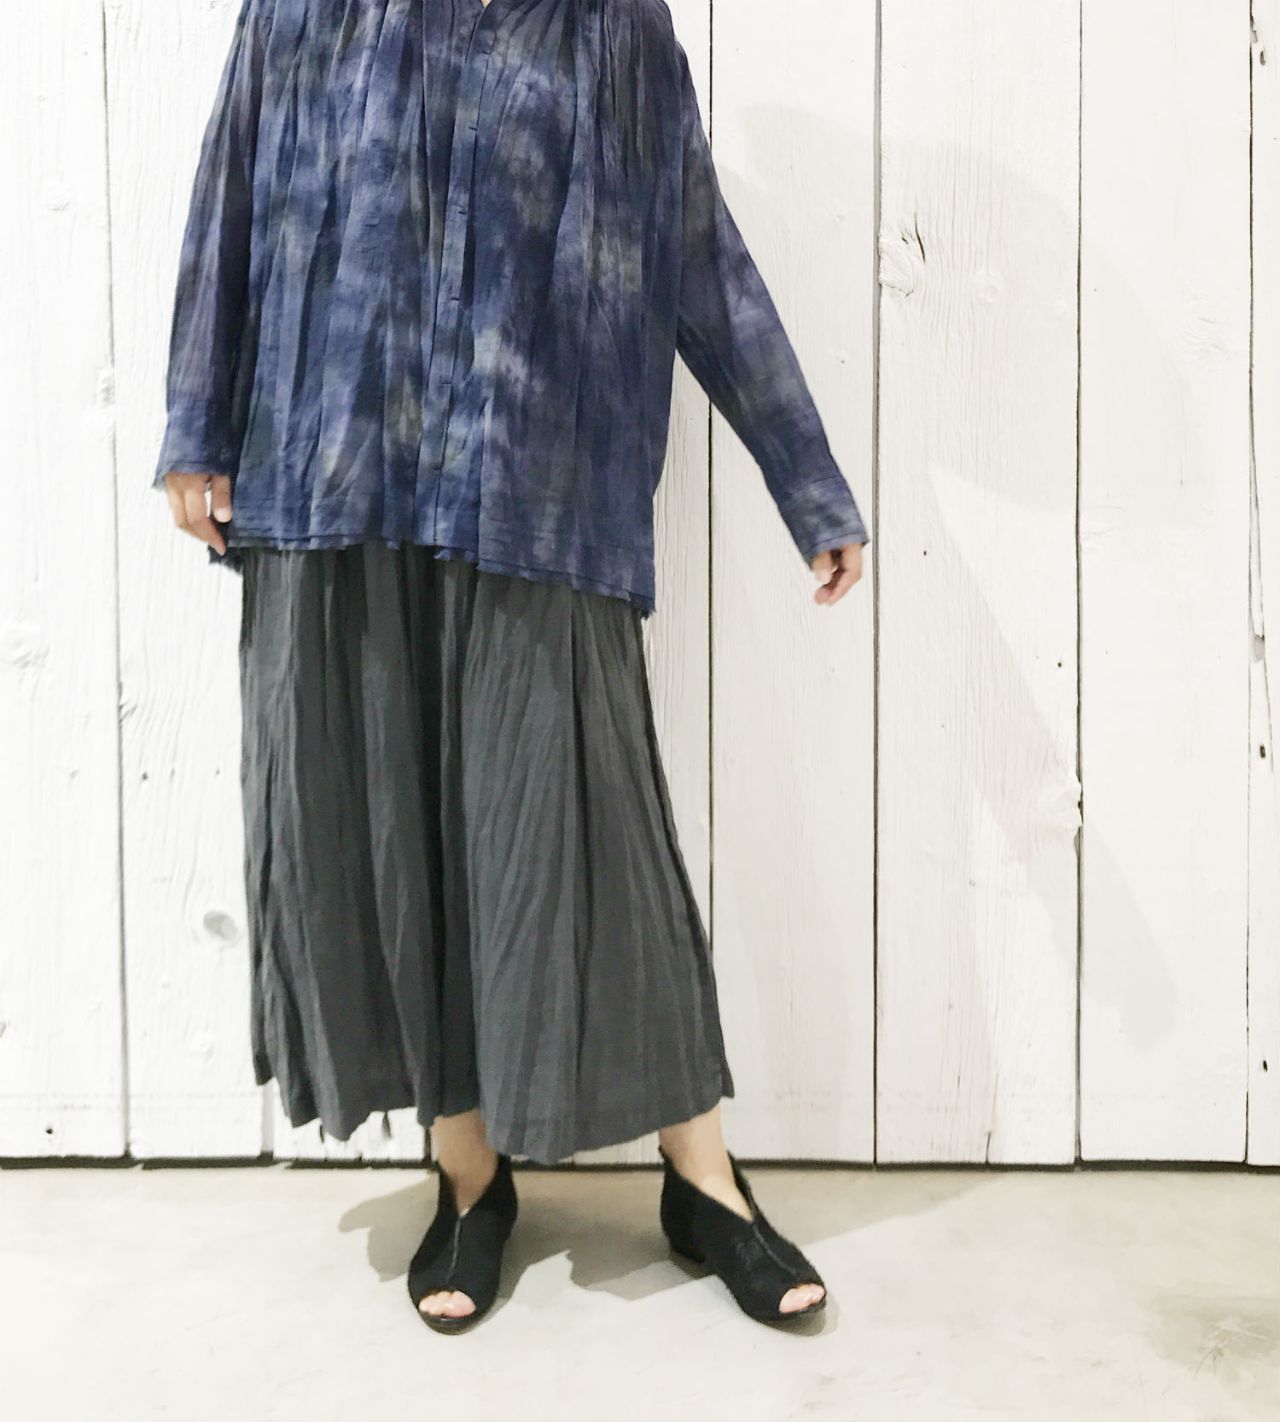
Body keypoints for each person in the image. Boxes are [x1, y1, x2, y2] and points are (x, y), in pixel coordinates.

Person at [155, 0, 868, 1333]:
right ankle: (471, 1177)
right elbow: (233, 192)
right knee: (395, 840)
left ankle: (703, 1181)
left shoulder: (614, 29)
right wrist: (195, 424)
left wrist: (808, 480)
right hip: (337, 474)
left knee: (591, 837)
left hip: (536, 493)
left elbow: (696, 254)